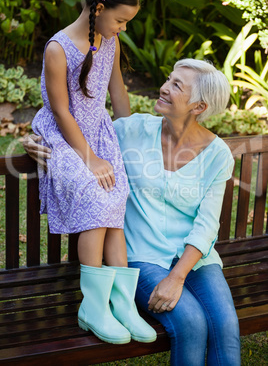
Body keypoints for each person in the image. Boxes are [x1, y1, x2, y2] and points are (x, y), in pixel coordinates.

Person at [24, 58, 241, 365]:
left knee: (226, 326)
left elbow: (207, 225)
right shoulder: (130, 131)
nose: (164, 88)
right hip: (142, 257)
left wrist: (177, 277)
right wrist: (36, 140)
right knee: (191, 322)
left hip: (195, 258)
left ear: (199, 107)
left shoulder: (217, 154)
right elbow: (79, 136)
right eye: (168, 79)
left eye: (176, 85)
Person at [29, 0, 156, 345]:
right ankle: (94, 306)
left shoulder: (109, 41)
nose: (124, 29)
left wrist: (127, 139)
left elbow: (117, 92)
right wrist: (91, 159)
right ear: (98, 8)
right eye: (121, 20)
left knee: (116, 197)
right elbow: (63, 111)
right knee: (97, 195)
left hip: (99, 133)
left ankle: (123, 304)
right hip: (66, 137)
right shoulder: (58, 48)